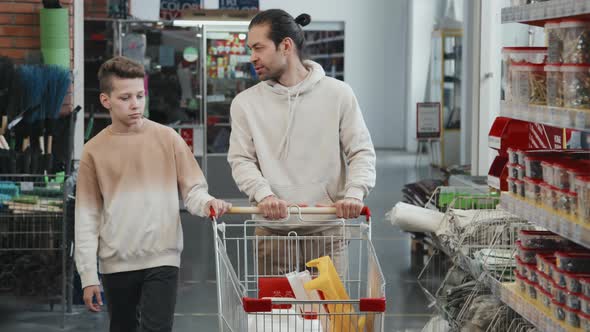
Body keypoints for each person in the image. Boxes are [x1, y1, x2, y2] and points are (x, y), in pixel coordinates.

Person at [75, 56, 232, 332]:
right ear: (105, 100)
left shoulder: (168, 138)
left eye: (140, 95)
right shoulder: (93, 150)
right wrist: (88, 275)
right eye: (125, 97)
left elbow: (194, 189)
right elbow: (86, 216)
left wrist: (208, 203)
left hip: (163, 256)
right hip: (116, 262)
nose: (135, 104)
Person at [228, 10, 376, 276]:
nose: (252, 57)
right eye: (251, 49)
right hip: (273, 231)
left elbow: (361, 152)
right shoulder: (245, 104)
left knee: (329, 315)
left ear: (286, 45)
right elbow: (241, 160)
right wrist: (265, 195)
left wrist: (354, 193)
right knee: (275, 317)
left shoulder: (338, 94)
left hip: (326, 230)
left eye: (259, 48)